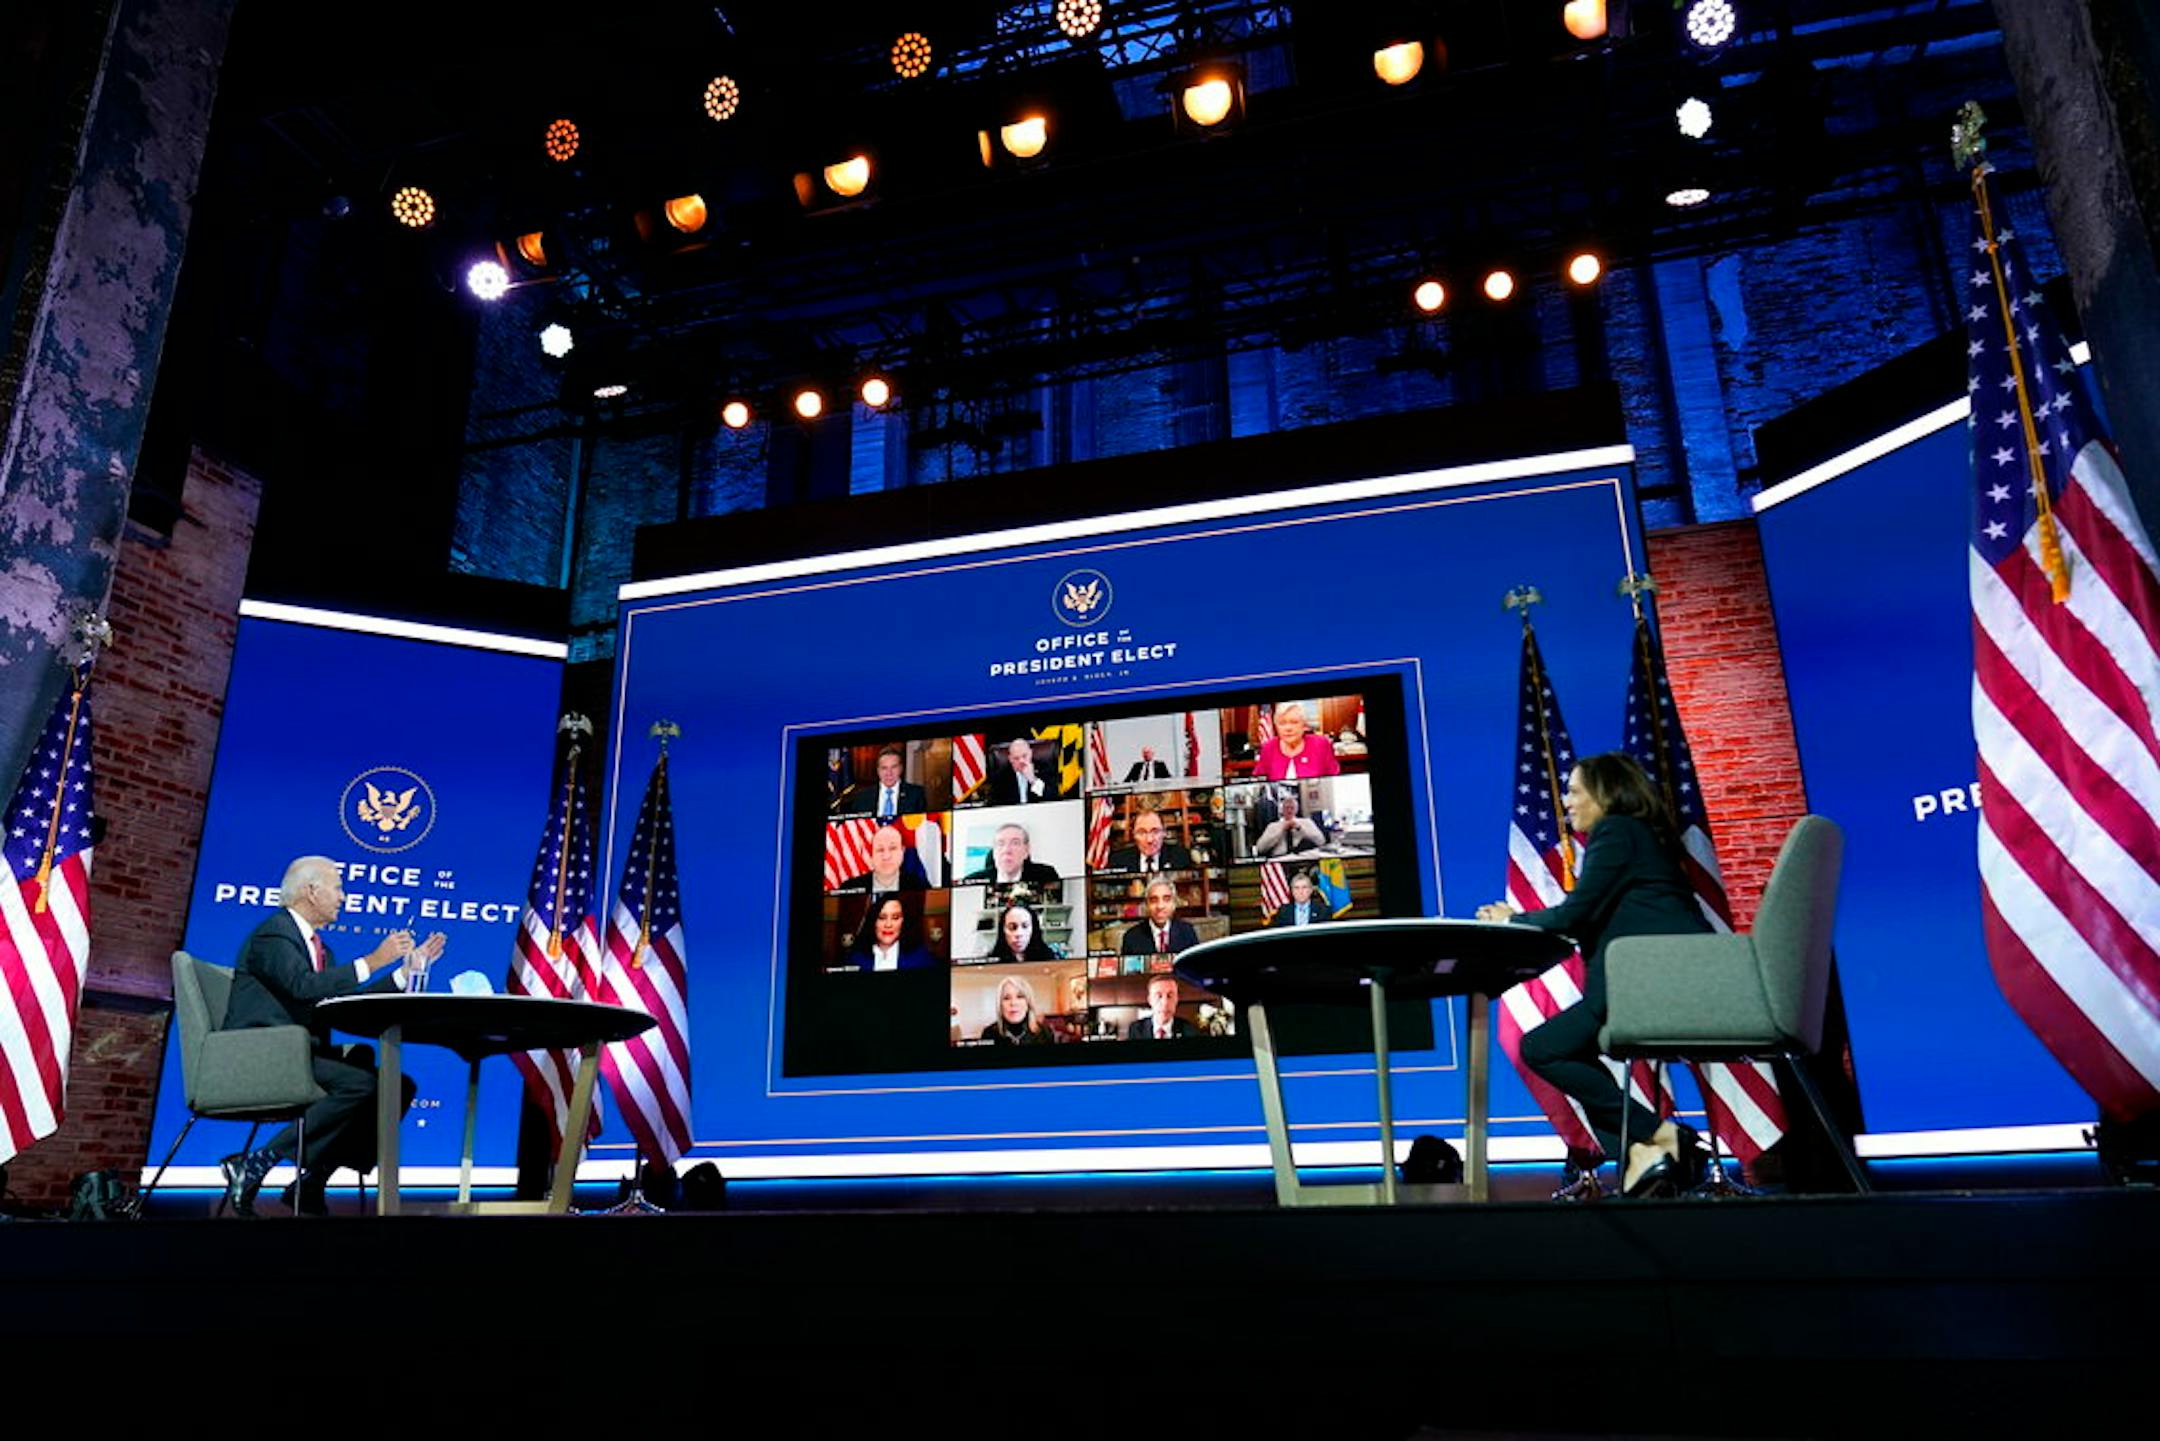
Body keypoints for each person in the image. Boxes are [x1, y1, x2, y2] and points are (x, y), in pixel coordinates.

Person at [1476, 752, 1713, 1197]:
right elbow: (1587, 917)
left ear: (1607, 794)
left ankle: (1659, 1139)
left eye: (1575, 790)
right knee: (1551, 1046)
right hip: (1652, 980)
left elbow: (1576, 914)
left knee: (1541, 1048)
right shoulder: (1635, 835)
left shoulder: (1617, 830)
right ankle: (1644, 1153)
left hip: (1654, 984)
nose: (1566, 801)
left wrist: (1512, 920)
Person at [217, 855, 446, 1216]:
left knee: (398, 1086)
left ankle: (312, 1180)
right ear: (311, 891)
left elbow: (341, 1003)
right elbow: (301, 986)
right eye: (338, 888)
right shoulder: (273, 933)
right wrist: (373, 960)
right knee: (360, 1084)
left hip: (299, 1053)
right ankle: (259, 1161)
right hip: (261, 1054)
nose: (343, 897)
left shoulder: (321, 949)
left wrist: (404, 973)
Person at [846, 895, 936, 971]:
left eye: (895, 917)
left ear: (903, 922)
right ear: (873, 922)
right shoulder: (854, 959)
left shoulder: (922, 958)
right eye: (882, 917)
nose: (888, 924)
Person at [1253, 702, 1340, 780]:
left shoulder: (1320, 744)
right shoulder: (1269, 748)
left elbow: (1334, 780)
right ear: (1276, 726)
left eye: (1294, 722)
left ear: (1304, 725)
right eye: (1282, 723)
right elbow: (1260, 783)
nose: (1288, 728)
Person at [841, 747, 926, 820]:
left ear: (901, 768)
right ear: (878, 770)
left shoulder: (916, 794)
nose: (889, 773)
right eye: (884, 768)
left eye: (894, 767)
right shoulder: (862, 797)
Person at [839, 823, 927, 893]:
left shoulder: (919, 885)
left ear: (902, 852)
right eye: (880, 850)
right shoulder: (849, 887)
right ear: (871, 855)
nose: (886, 856)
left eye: (893, 848)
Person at [962, 822, 1062, 884]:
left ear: (1026, 850)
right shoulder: (971, 880)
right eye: (1001, 843)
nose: (1007, 850)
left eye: (1015, 843)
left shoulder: (1047, 875)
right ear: (994, 851)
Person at [1121, 877, 1199, 955]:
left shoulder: (1187, 932)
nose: (1160, 906)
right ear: (1146, 905)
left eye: (1166, 899)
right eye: (1154, 900)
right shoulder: (1131, 937)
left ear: (1174, 904)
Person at [1105, 809, 1193, 872]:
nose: (1149, 840)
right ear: (1134, 835)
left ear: (1164, 832)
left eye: (1155, 831)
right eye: (1142, 832)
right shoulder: (1117, 860)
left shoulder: (1181, 856)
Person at [979, 974, 1056, 1045]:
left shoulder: (1045, 1033)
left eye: (1020, 996)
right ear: (1000, 1005)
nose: (1013, 1003)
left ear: (1028, 1002)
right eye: (1006, 998)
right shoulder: (989, 1034)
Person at [1252, 789, 1326, 856]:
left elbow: (1321, 841)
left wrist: (1300, 828)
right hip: (1280, 858)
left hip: (1302, 857)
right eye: (1287, 808)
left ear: (1296, 810)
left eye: (1292, 808)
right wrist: (1281, 830)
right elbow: (1260, 848)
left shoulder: (1306, 822)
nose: (1289, 810)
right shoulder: (1273, 826)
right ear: (1282, 810)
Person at [1128, 973, 1198, 1040]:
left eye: (1170, 996)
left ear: (1177, 999)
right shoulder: (1136, 1029)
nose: (1165, 1003)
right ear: (1150, 1000)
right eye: (1159, 996)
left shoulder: (1189, 1030)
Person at [985, 900, 1059, 963]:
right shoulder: (992, 961)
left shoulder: (1049, 958)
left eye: (1025, 926)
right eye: (1012, 927)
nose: (1019, 934)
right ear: (1003, 930)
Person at [990, 737, 1052, 805]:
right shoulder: (1000, 777)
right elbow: (995, 804)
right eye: (1016, 758)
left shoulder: (1045, 769)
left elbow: (1053, 798)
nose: (1021, 761)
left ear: (1030, 753)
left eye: (1024, 756)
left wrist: (1033, 780)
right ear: (1010, 759)